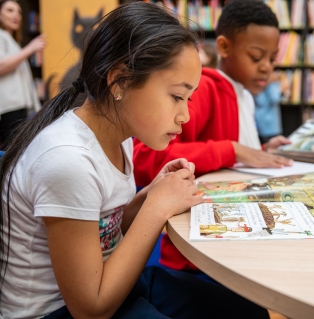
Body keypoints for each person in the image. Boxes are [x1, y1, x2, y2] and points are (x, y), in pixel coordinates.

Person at [0, 2, 276, 318]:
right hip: (58, 310)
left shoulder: (119, 138)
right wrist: (157, 208)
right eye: (176, 96)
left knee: (247, 311)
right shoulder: (68, 160)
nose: (185, 115)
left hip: (111, 282)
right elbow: (91, 309)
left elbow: (105, 226)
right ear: (120, 83)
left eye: (188, 98)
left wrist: (152, 193)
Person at [133, 0, 292, 273]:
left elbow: (225, 148)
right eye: (256, 57)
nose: (266, 67)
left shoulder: (243, 95)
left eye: (272, 58)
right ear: (224, 47)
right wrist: (232, 149)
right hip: (195, 258)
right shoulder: (204, 88)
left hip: (231, 241)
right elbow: (147, 156)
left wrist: (261, 149)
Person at [0, 0, 45, 149]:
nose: (16, 15)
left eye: (19, 12)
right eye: (10, 10)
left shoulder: (13, 42)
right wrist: (30, 49)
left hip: (20, 108)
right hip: (9, 109)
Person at [254, 72, 284, 144]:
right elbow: (275, 98)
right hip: (269, 126)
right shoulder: (271, 83)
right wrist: (282, 90)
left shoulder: (258, 84)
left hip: (265, 125)